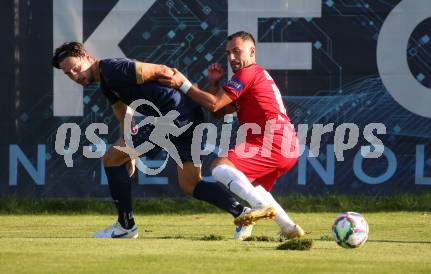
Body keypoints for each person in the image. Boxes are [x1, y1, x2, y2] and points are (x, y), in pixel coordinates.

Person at [51, 42, 252, 239]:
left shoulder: (112, 68)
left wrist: (177, 86)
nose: (75, 76)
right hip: (189, 115)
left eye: (76, 68)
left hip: (173, 115)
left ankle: (125, 226)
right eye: (69, 74)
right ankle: (242, 212)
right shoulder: (106, 84)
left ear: (87, 57)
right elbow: (124, 118)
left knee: (110, 159)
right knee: (190, 183)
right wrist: (128, 155)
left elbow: (161, 70)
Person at [158, 31, 305, 238]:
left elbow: (214, 103)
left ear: (252, 51)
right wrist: (214, 85)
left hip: (273, 139)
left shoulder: (247, 73)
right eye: (228, 53)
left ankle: (258, 207)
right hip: (287, 143)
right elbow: (219, 112)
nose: (232, 58)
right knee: (253, 185)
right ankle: (289, 228)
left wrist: (183, 83)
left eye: (237, 51)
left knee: (219, 167)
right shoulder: (254, 75)